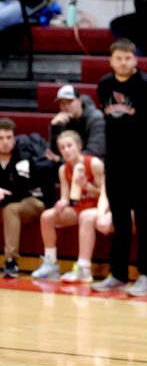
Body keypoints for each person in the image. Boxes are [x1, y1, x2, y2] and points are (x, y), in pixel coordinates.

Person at [91, 39, 147, 296]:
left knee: (144, 217)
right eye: (119, 58)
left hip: (142, 164)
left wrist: (144, 149)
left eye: (128, 58)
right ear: (111, 61)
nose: (124, 62)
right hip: (114, 162)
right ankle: (118, 274)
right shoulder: (104, 85)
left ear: (135, 60)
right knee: (120, 218)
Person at [32, 131, 105, 280]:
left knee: (85, 216)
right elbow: (66, 198)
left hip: (99, 209)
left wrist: (88, 186)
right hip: (80, 208)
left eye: (69, 146)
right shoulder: (63, 169)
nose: (66, 150)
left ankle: (84, 269)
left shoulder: (94, 163)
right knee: (47, 216)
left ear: (79, 146)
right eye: (62, 147)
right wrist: (61, 204)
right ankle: (51, 263)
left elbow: (107, 194)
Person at [0, 117, 46, 277]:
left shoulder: (23, 157)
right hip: (9, 201)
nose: (5, 142)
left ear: (14, 139)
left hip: (33, 201)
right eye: (1, 138)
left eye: (9, 138)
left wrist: (2, 193)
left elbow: (20, 190)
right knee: (9, 208)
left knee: (10, 208)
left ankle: (11, 262)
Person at [48, 84, 105, 159]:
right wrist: (55, 128)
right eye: (62, 103)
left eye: (69, 101)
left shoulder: (96, 119)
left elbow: (95, 152)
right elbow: (56, 152)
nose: (65, 106)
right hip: (73, 163)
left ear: (79, 101)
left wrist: (62, 161)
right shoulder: (63, 120)